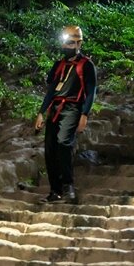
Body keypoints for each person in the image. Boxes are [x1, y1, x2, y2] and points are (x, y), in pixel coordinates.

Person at [34, 25, 97, 203]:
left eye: (72, 43)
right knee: (50, 149)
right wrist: (41, 112)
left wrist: (84, 114)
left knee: (64, 143)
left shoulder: (86, 65)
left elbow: (91, 92)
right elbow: (52, 90)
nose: (68, 47)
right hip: (55, 108)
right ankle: (55, 191)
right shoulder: (59, 65)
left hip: (72, 108)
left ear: (79, 43)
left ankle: (68, 187)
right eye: (67, 43)